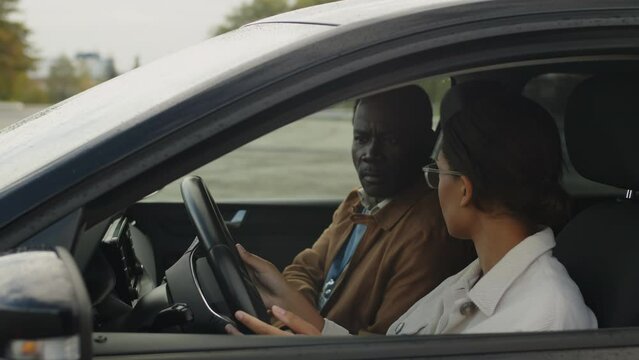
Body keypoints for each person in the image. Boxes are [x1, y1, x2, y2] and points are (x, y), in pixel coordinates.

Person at [226, 84, 597, 336]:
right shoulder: (472, 279)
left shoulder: (546, 315)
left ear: (464, 189)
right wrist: (303, 320)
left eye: (436, 173)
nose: (431, 189)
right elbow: (394, 350)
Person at [280, 85, 475, 334]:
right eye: (361, 138)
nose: (370, 154)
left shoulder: (427, 235)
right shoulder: (360, 200)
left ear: (426, 143)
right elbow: (302, 270)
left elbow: (383, 344)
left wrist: (301, 328)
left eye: (390, 140)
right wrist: (297, 326)